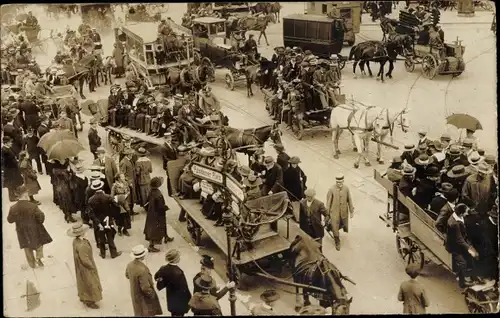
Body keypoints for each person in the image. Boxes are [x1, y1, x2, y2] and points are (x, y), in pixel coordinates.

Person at [7, 185, 53, 268]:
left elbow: (10, 220)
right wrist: (39, 222)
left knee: (27, 246)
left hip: (21, 231)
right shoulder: (33, 206)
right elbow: (41, 216)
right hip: (34, 228)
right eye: (27, 193)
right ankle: (39, 258)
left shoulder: (13, 208)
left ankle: (32, 264)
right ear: (24, 195)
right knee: (39, 244)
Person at [67, 222, 102, 309]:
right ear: (82, 232)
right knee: (90, 283)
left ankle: (84, 297)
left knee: (82, 282)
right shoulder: (83, 245)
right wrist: (91, 266)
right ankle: (90, 300)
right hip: (85, 268)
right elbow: (85, 259)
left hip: (80, 266)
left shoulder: (76, 241)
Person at [445, 203, 479, 288]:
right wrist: (470, 249)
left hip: (462, 243)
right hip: (454, 247)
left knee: (471, 258)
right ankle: (462, 283)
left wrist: (471, 248)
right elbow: (459, 240)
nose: (467, 213)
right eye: (466, 212)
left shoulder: (458, 217)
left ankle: (473, 276)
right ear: (461, 213)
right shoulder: (454, 223)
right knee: (462, 263)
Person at [87, 180, 122, 259]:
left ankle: (102, 253)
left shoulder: (91, 200)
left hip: (98, 221)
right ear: (101, 187)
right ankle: (113, 253)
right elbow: (116, 207)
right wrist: (113, 215)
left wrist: (97, 222)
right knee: (110, 236)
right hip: (108, 219)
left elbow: (90, 213)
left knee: (101, 237)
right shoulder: (108, 197)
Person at [126, 245, 163, 317]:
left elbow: (127, 275)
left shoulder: (129, 265)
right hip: (144, 298)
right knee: (147, 312)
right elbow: (145, 288)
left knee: (139, 312)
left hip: (135, 293)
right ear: (142, 256)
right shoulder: (142, 270)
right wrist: (152, 294)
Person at [154, 249, 192, 317]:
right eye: (178, 257)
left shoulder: (163, 268)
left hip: (171, 297)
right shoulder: (179, 273)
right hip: (179, 301)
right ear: (175, 259)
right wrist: (189, 298)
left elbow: (156, 277)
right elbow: (184, 289)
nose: (180, 258)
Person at [144, 176, 174, 252]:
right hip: (158, 214)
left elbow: (147, 200)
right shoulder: (158, 194)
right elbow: (161, 207)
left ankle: (166, 236)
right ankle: (151, 246)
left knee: (157, 226)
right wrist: (166, 208)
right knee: (155, 229)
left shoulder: (151, 191)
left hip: (151, 212)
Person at [326, 174, 354, 251]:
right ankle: (337, 240)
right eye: (338, 182)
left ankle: (329, 227)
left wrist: (351, 211)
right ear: (336, 182)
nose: (339, 184)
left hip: (343, 211)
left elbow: (349, 199)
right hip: (334, 212)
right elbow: (328, 203)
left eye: (341, 182)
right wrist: (327, 214)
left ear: (343, 181)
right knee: (335, 226)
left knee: (341, 224)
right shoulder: (331, 189)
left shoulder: (346, 188)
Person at [283, 156, 307, 221]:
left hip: (299, 192)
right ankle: (298, 219)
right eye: (294, 164)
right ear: (291, 164)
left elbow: (304, 176)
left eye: (296, 164)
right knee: (295, 205)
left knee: (298, 205)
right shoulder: (287, 172)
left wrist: (302, 181)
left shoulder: (298, 169)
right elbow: (286, 183)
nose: (295, 165)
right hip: (293, 192)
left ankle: (299, 217)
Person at [2, 136, 24, 202]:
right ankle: (12, 198)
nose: (11, 143)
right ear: (6, 143)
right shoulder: (4, 150)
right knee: (10, 185)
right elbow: (4, 162)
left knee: (13, 183)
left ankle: (14, 195)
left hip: (12, 169)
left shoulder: (8, 148)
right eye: (10, 142)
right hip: (9, 170)